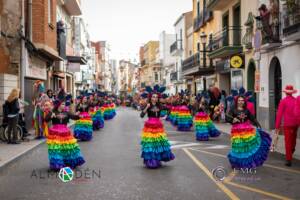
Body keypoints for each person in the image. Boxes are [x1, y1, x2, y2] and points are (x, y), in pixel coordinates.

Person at [226, 96, 271, 169]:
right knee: (238, 147)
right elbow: (227, 117)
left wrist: (257, 124)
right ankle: (237, 163)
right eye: (239, 100)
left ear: (244, 102)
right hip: (237, 132)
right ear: (237, 101)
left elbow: (252, 118)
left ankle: (245, 163)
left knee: (246, 147)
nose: (241, 102)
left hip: (246, 131)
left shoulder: (246, 110)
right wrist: (232, 119)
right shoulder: (233, 110)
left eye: (242, 100)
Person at [140, 85, 175, 169]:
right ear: (150, 97)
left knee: (158, 144)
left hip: (158, 126)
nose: (154, 98)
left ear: (158, 98)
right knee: (151, 144)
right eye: (153, 97)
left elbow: (169, 109)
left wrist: (164, 117)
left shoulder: (160, 106)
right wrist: (146, 107)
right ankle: (151, 161)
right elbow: (141, 115)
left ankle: (158, 159)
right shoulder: (147, 105)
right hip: (149, 126)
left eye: (156, 97)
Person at [45, 99, 85, 170]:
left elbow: (73, 117)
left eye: (64, 104)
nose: (64, 105)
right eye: (62, 104)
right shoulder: (53, 112)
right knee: (56, 149)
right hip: (55, 133)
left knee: (67, 148)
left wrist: (79, 116)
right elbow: (46, 119)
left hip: (65, 132)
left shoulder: (67, 113)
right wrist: (51, 116)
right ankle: (57, 164)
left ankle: (68, 162)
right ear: (58, 105)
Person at [275, 85, 298, 166]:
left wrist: (277, 126)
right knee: (293, 138)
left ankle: (288, 160)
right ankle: (292, 148)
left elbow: (279, 114)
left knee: (288, 141)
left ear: (285, 93)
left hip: (287, 124)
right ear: (292, 93)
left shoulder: (283, 101)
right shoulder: (296, 100)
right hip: (295, 124)